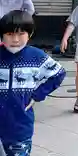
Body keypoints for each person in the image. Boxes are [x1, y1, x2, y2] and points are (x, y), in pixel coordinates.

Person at [0, 10, 66, 156]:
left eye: (21, 34)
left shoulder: (36, 56)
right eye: (10, 34)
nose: (15, 39)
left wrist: (37, 94)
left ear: (29, 34)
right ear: (2, 35)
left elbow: (59, 73)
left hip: (20, 127)